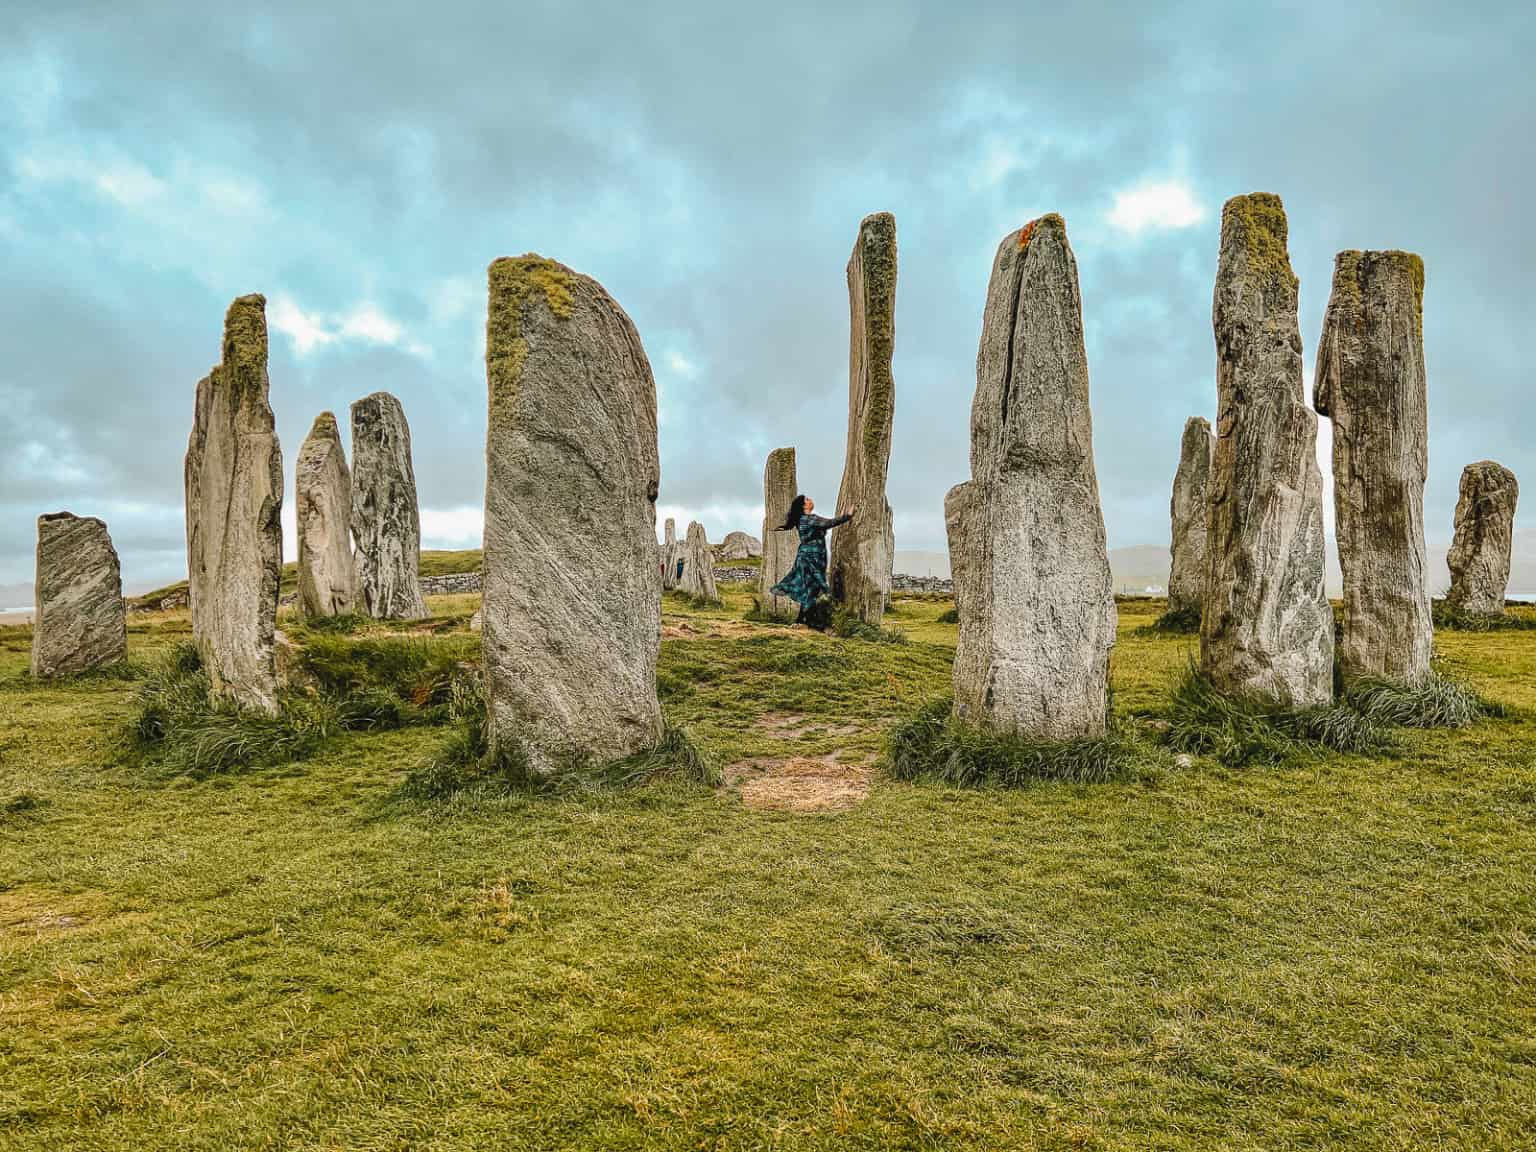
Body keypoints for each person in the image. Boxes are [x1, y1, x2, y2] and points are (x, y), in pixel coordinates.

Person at [769, 494, 856, 628]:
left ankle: (802, 621)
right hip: (812, 557)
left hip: (805, 556)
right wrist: (848, 515)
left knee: (810, 589)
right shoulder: (810, 519)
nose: (811, 500)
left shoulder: (801, 520)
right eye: (807, 500)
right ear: (804, 506)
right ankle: (807, 621)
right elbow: (830, 523)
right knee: (814, 588)